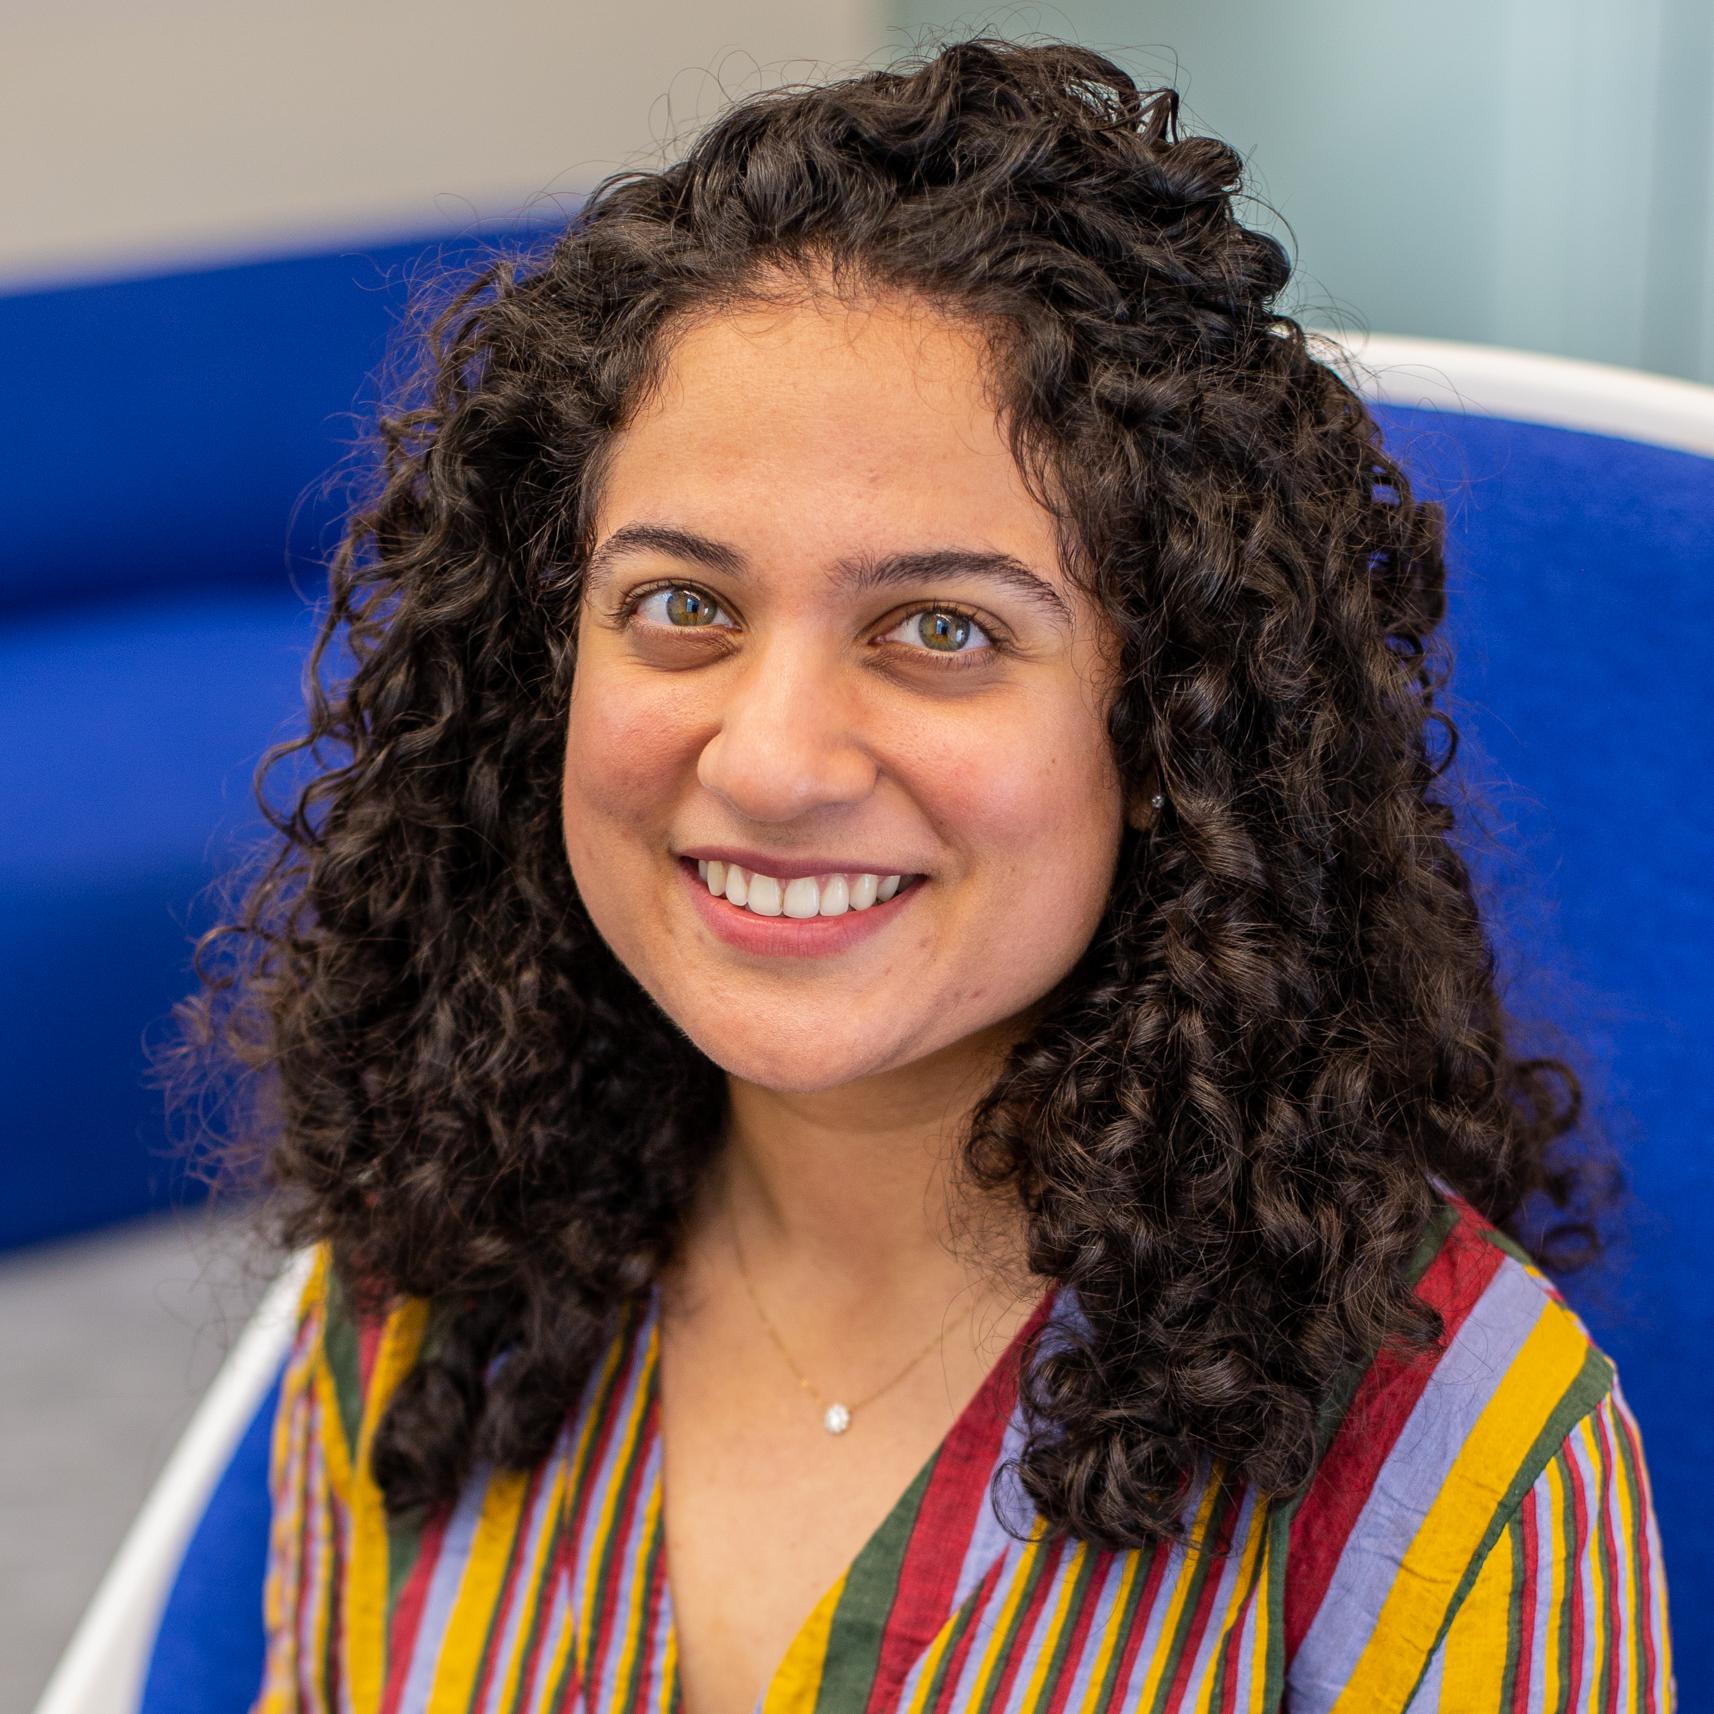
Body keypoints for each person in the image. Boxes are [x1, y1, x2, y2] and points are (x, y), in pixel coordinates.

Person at [171, 34, 1673, 1713]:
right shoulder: (436, 1258)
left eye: (941, 628)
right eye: (681, 604)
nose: (769, 759)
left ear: (1168, 727)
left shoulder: (1444, 1453)